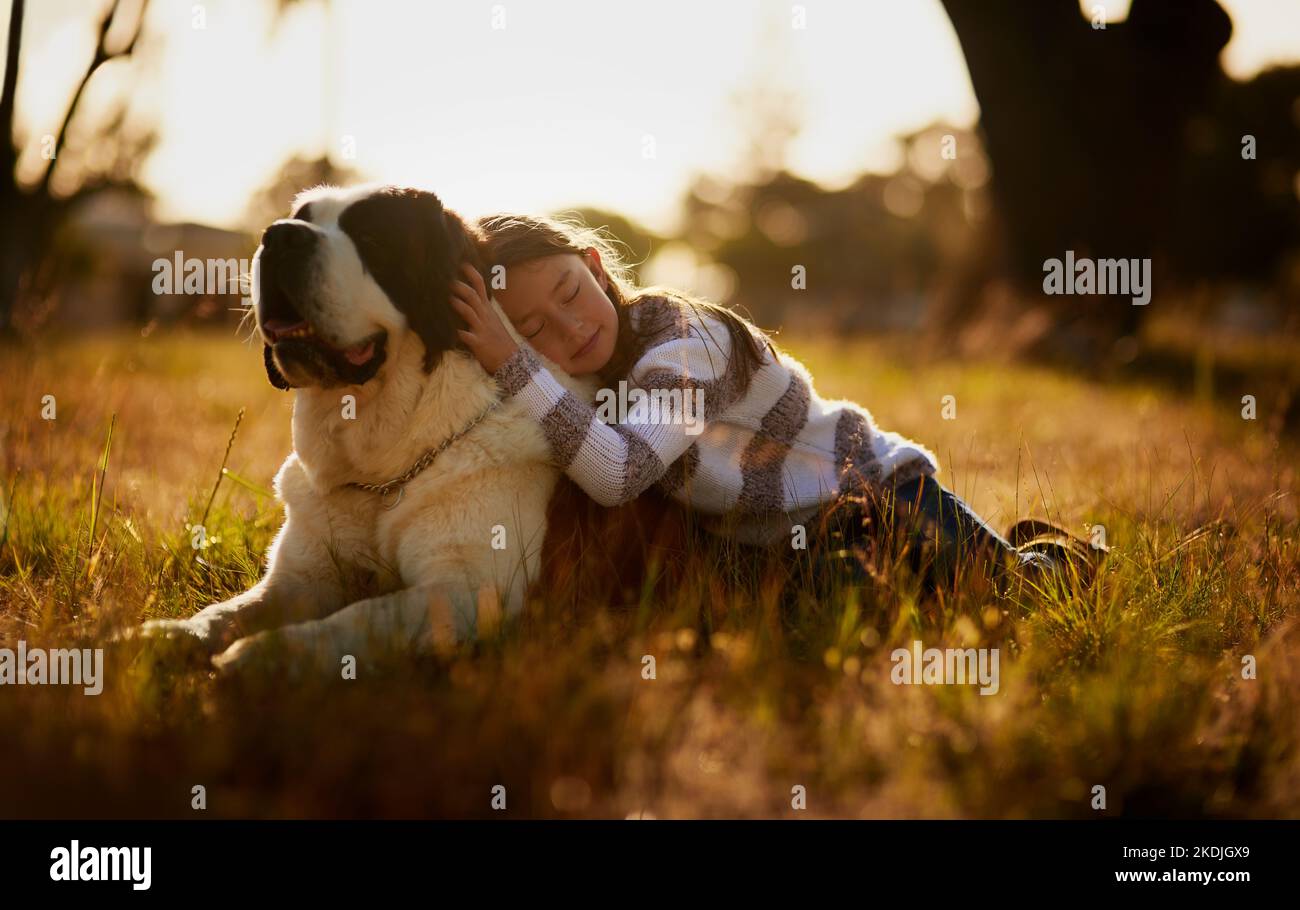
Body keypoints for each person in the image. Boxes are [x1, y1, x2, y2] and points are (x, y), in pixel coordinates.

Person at [449, 213, 1080, 592]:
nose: (569, 328)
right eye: (532, 331)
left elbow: (618, 473)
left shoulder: (682, 340)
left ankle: (1054, 560)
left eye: (570, 292)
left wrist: (517, 361)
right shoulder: (584, 383)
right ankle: (1000, 548)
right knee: (858, 601)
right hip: (779, 546)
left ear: (595, 265)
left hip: (874, 492)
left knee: (1006, 593)